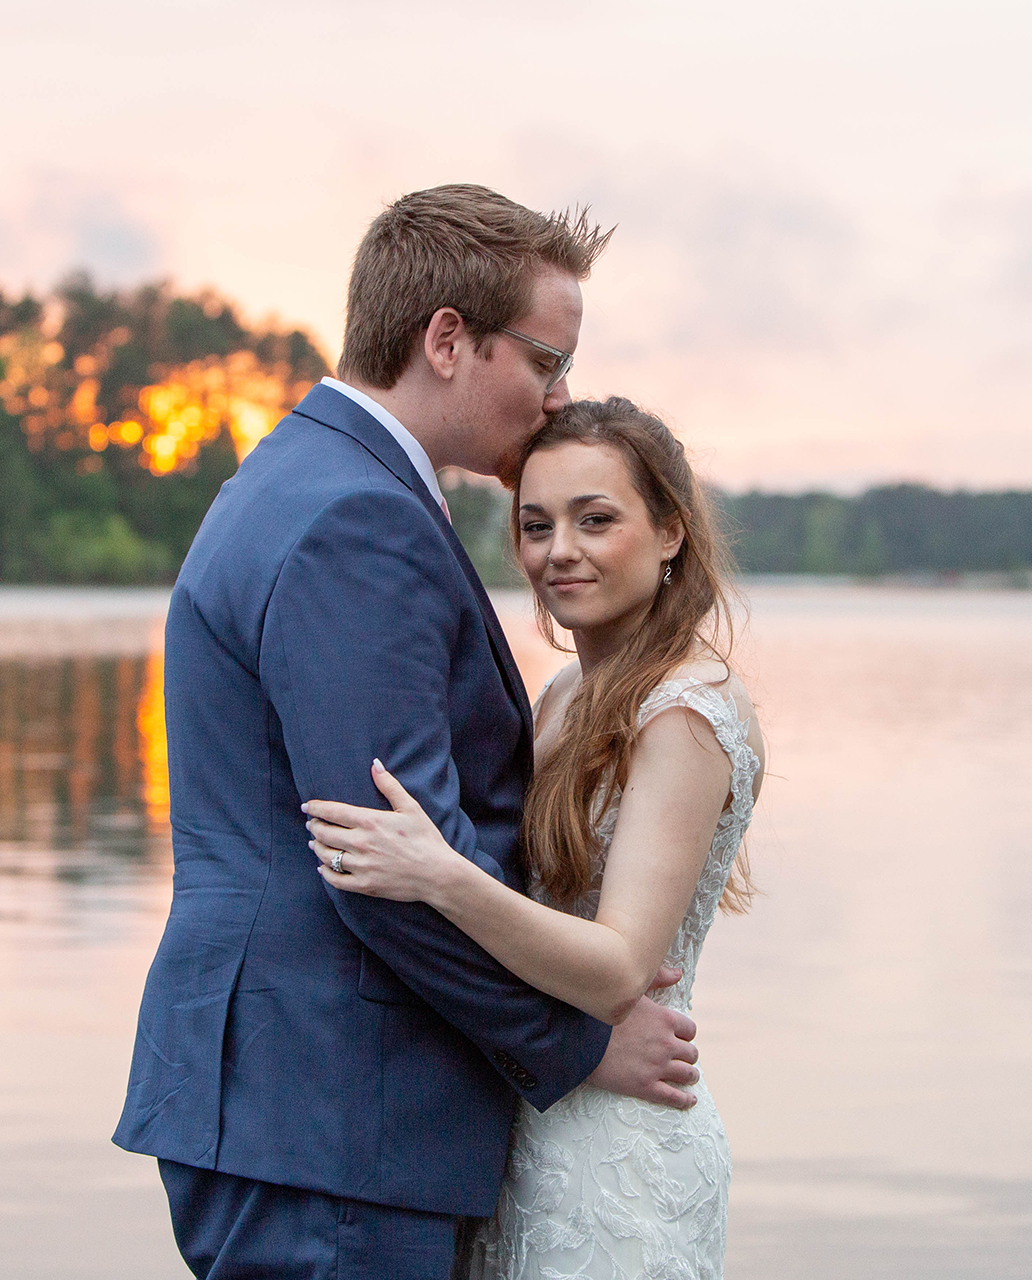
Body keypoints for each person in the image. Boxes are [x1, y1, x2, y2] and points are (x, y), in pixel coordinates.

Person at [112, 186, 703, 1280]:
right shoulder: (360, 517)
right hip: (337, 1112)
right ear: (447, 340)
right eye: (543, 359)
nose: (559, 393)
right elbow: (385, 862)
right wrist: (571, 1048)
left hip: (298, 1105)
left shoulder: (304, 473)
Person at [306, 396, 763, 1279]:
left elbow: (620, 966)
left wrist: (440, 876)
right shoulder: (561, 697)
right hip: (536, 1117)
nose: (561, 551)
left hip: (619, 1152)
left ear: (670, 531)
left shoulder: (685, 711)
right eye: (536, 524)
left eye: (596, 520)